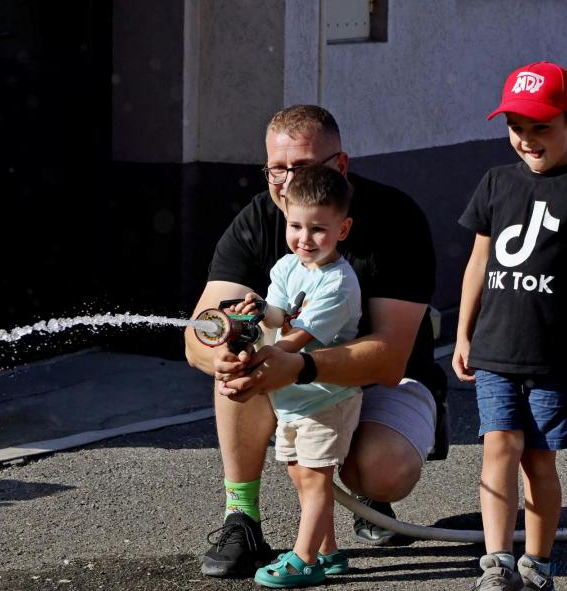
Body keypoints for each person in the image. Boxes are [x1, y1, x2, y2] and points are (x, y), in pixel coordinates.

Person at [185, 104, 448, 578]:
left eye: (302, 167)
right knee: (238, 365)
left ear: (340, 165)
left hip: (386, 380)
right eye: (276, 169)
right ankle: (241, 517)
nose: (287, 184)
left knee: (381, 469)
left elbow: (390, 358)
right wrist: (220, 353)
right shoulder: (258, 219)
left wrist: (300, 366)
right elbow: (199, 330)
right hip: (296, 372)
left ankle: (355, 506)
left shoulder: (395, 218)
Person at [452, 61, 567, 591]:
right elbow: (478, 263)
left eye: (541, 127)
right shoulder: (495, 181)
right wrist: (462, 333)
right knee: (498, 446)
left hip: (554, 353)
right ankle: (496, 562)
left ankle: (537, 564)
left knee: (538, 461)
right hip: (494, 349)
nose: (527, 139)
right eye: (516, 127)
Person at [230, 165, 362, 587]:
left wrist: (258, 359)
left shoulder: (339, 284)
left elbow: (297, 338)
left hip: (326, 398)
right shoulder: (289, 266)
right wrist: (258, 310)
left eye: (318, 229)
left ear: (343, 229)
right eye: (296, 226)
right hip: (292, 399)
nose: (305, 239)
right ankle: (328, 552)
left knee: (316, 479)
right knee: (299, 474)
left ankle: (304, 559)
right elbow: (279, 314)